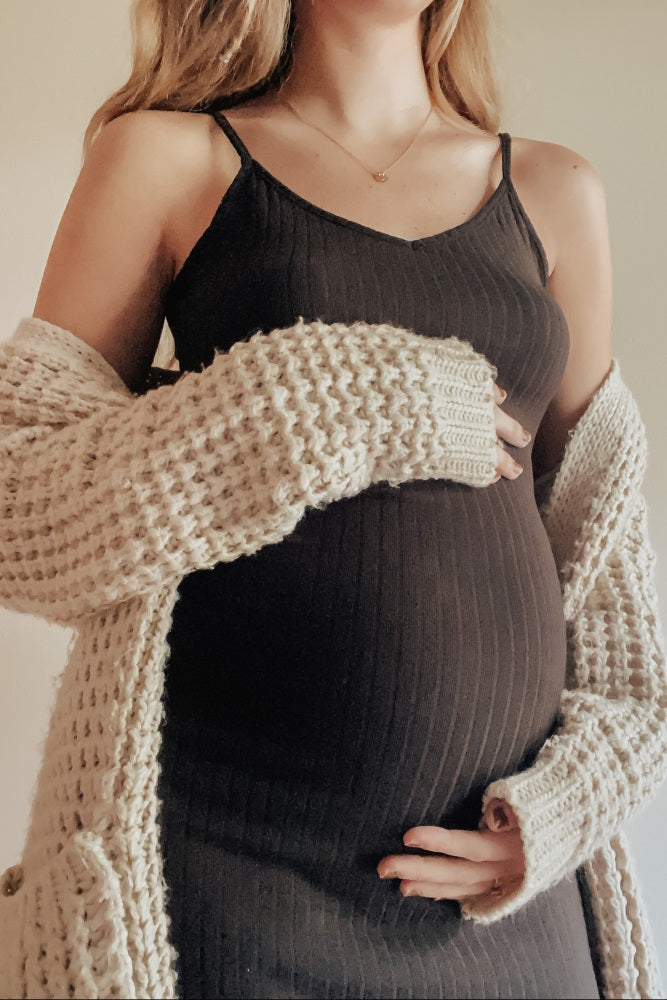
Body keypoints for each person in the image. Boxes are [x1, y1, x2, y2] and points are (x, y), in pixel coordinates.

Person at [0, 1, 665, 998]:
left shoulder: (555, 190)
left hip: (504, 902)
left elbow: (611, 586)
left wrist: (564, 808)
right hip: (225, 883)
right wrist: (323, 401)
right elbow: (19, 506)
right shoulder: (166, 159)